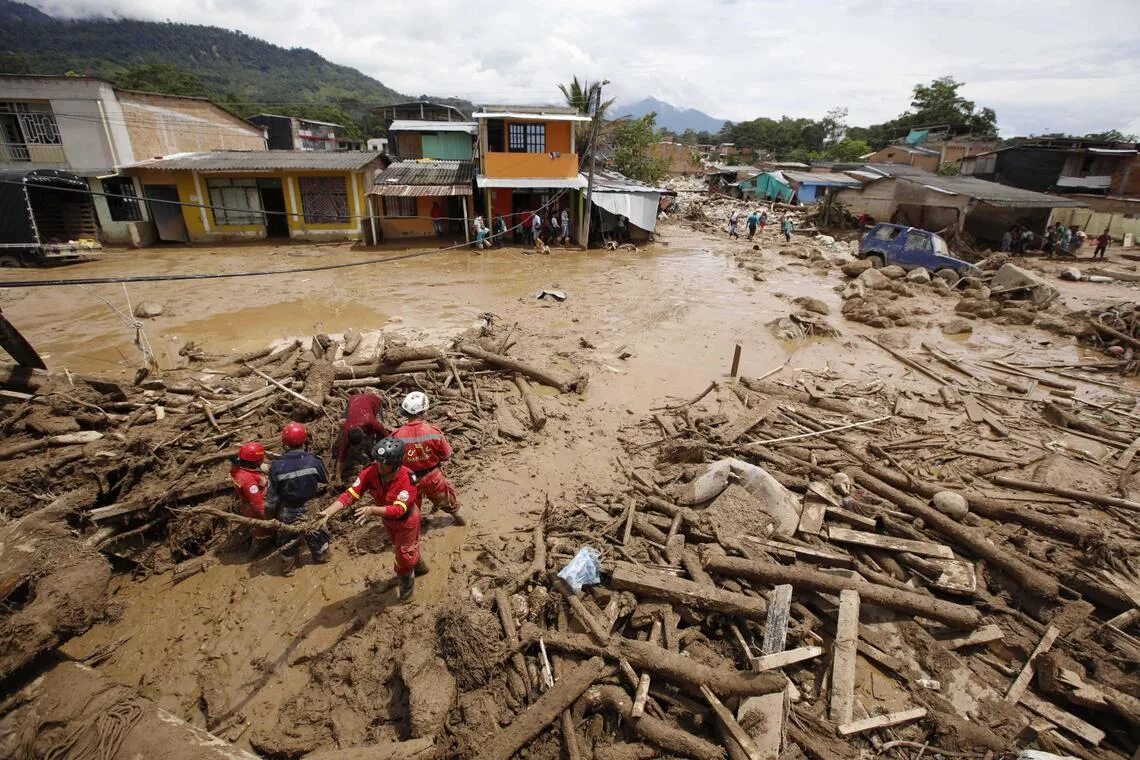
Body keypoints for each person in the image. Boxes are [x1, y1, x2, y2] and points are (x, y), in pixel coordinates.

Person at [322, 438, 421, 600]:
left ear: (395, 464)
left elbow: (398, 510)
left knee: (403, 557)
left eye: (384, 463)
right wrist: (328, 512)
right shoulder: (371, 471)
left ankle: (407, 594)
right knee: (405, 550)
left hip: (406, 520)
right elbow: (351, 494)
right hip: (388, 521)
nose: (379, 466)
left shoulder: (407, 478)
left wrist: (372, 510)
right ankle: (417, 563)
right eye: (377, 461)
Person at [392, 391, 463, 525]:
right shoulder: (433, 432)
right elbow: (446, 455)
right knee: (451, 505)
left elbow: (394, 462)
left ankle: (415, 531)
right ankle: (462, 523)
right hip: (433, 477)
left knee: (412, 510)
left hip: (409, 479)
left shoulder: (396, 435)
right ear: (424, 412)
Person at [268, 422, 330, 576]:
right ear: (305, 441)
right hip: (310, 506)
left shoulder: (276, 467)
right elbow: (326, 479)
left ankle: (289, 569)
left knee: (288, 540)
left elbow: (272, 499)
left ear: (284, 443)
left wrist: (269, 518)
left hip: (287, 509)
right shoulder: (314, 461)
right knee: (318, 535)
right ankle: (321, 557)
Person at [334, 392, 388, 485]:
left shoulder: (371, 421)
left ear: (363, 434)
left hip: (373, 399)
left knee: (380, 433)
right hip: (354, 399)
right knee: (341, 422)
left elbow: (384, 434)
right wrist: (337, 477)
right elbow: (341, 455)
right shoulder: (347, 430)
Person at [230, 441, 271, 549]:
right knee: (263, 535)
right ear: (255, 462)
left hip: (248, 506)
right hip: (255, 511)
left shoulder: (239, 471)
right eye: (261, 459)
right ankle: (259, 549)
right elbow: (257, 503)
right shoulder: (248, 480)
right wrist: (269, 520)